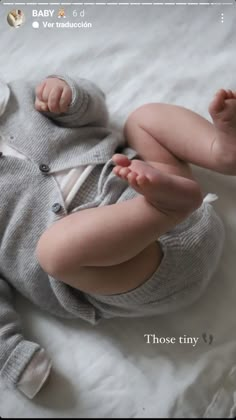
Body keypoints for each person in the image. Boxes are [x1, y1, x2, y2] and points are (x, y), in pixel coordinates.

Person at [0, 75, 228, 398]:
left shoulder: (20, 97)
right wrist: (10, 355)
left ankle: (221, 151)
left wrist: (70, 96)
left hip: (157, 190)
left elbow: (96, 111)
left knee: (143, 120)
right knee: (53, 250)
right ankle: (159, 211)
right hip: (127, 271)